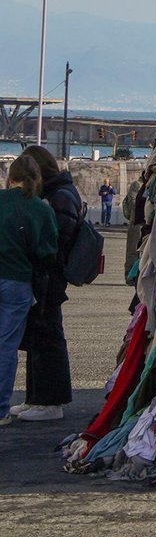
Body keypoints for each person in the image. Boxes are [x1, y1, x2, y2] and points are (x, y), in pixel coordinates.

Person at [14, 145, 84, 423]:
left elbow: (58, 238)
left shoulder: (59, 196)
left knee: (48, 336)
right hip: (46, 273)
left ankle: (51, 402)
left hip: (50, 275)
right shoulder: (59, 193)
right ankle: (36, 397)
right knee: (39, 334)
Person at [0, 155, 59, 428]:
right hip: (17, 281)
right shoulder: (40, 209)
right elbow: (47, 251)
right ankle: (1, 408)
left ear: (10, 177)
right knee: (6, 346)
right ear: (36, 179)